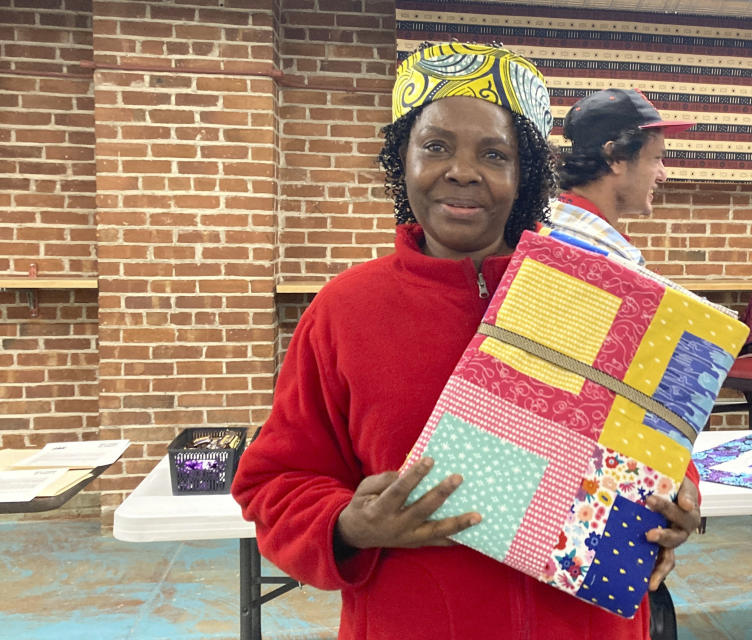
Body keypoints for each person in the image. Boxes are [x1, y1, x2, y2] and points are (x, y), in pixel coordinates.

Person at [232, 42, 700, 640]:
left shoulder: (601, 297)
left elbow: (659, 453)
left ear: (523, 172)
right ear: (402, 159)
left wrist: (678, 505)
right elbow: (275, 481)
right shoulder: (345, 311)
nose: (461, 170)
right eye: (434, 146)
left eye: (494, 153)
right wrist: (348, 523)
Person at [549, 88, 694, 267]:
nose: (663, 176)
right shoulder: (607, 256)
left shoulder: (544, 223)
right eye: (656, 158)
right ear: (615, 158)